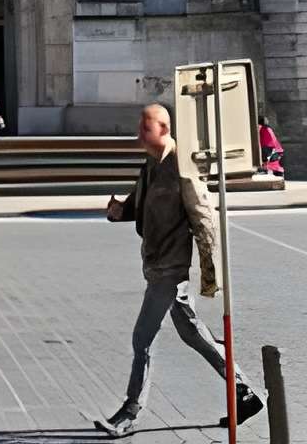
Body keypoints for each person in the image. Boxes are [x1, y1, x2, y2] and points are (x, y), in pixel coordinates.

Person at [95, 103, 262, 437]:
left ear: (164, 129)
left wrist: (210, 272)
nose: (139, 134)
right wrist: (119, 211)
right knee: (193, 334)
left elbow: (203, 219)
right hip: (156, 265)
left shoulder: (181, 166)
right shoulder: (151, 165)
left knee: (142, 338)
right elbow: (141, 205)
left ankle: (129, 413)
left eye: (146, 128)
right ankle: (243, 392)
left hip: (170, 270)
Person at [257, 113, 285, 179]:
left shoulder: (263, 128)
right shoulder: (267, 128)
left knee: (269, 163)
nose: (267, 121)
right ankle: (277, 174)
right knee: (273, 164)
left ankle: (267, 171)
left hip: (269, 148)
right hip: (274, 148)